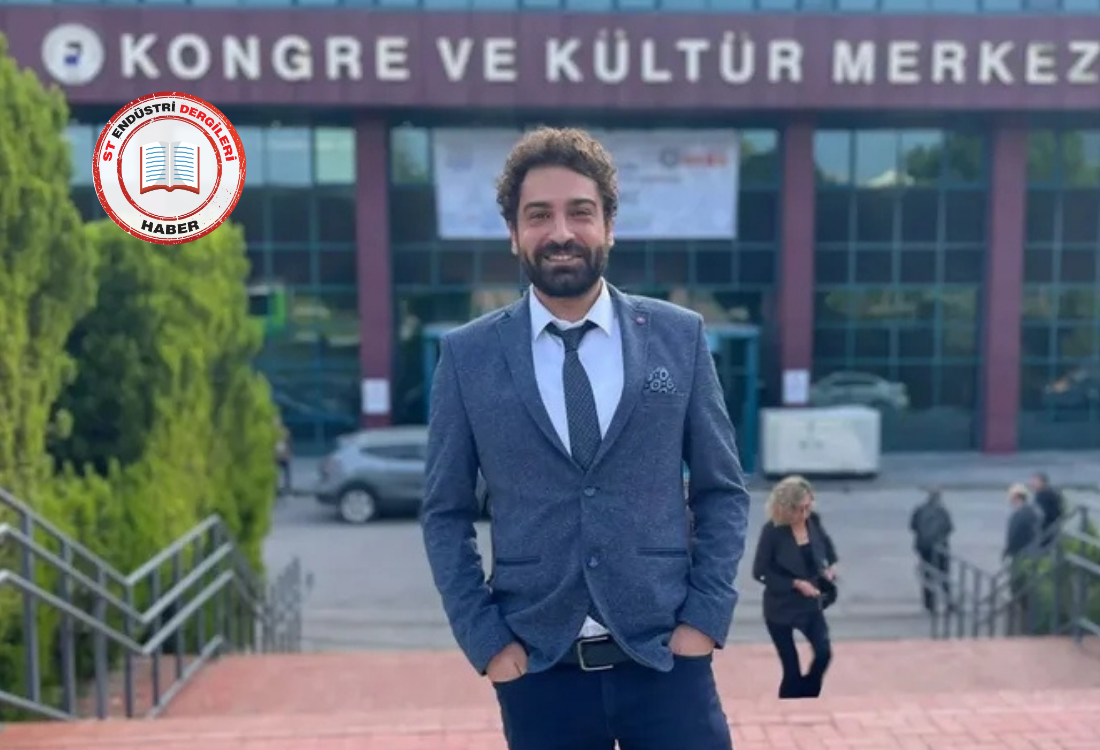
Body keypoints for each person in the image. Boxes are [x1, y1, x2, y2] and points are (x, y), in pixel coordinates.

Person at [420, 126, 751, 750]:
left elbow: (722, 491)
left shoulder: (677, 337)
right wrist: (487, 643)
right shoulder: (468, 356)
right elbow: (445, 513)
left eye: (580, 212)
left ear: (609, 226)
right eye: (538, 215)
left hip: (667, 662)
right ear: (514, 233)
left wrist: (705, 620)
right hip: (538, 673)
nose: (561, 232)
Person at [752, 475, 834, 700]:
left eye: (808, 507)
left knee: (824, 652)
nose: (805, 514)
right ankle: (790, 706)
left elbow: (826, 547)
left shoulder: (813, 521)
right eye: (800, 509)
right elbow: (759, 572)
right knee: (791, 671)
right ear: (787, 508)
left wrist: (829, 567)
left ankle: (808, 694)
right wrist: (795, 584)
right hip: (781, 607)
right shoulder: (772, 531)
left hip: (810, 604)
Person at [909, 488, 954, 613]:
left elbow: (912, 526)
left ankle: (929, 604)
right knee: (944, 574)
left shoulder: (919, 510)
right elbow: (949, 528)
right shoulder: (942, 511)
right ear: (939, 497)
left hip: (924, 547)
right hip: (940, 547)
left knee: (928, 575)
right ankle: (949, 601)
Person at [1029, 472, 1065, 543]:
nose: (1032, 484)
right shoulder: (1042, 493)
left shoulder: (1046, 495)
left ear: (1043, 482)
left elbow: (1046, 513)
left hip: (1048, 528)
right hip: (1050, 527)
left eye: (1035, 482)